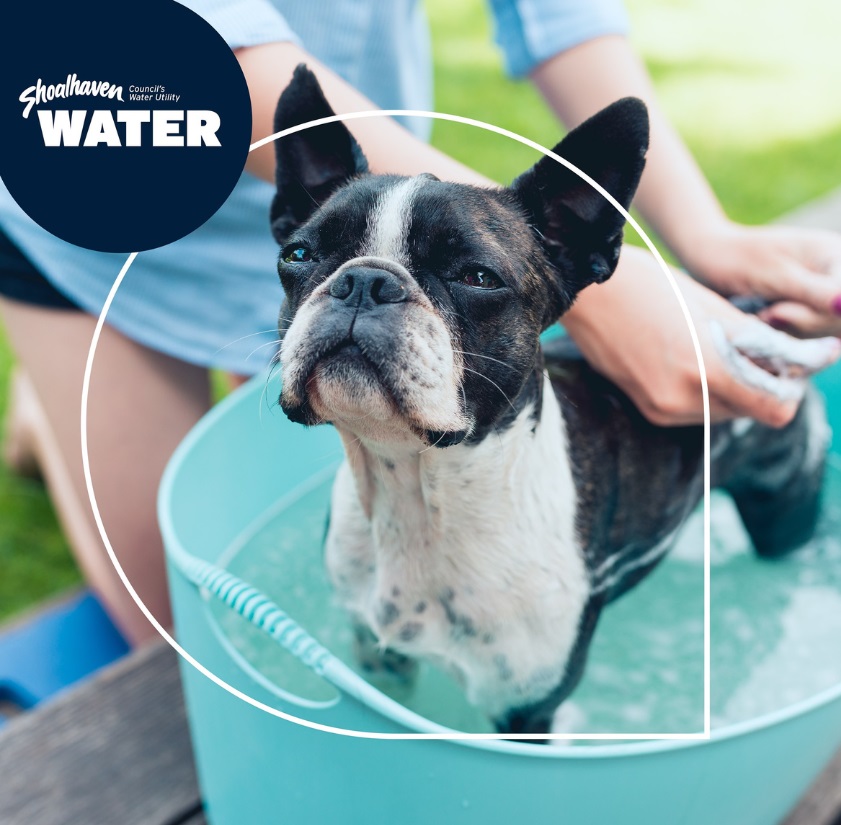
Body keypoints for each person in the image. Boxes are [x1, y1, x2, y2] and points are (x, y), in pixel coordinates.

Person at [1, 0, 840, 645]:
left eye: (476, 275)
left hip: (376, 191)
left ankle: (59, 415)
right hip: (103, 207)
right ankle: (54, 408)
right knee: (185, 637)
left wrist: (697, 230)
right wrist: (593, 293)